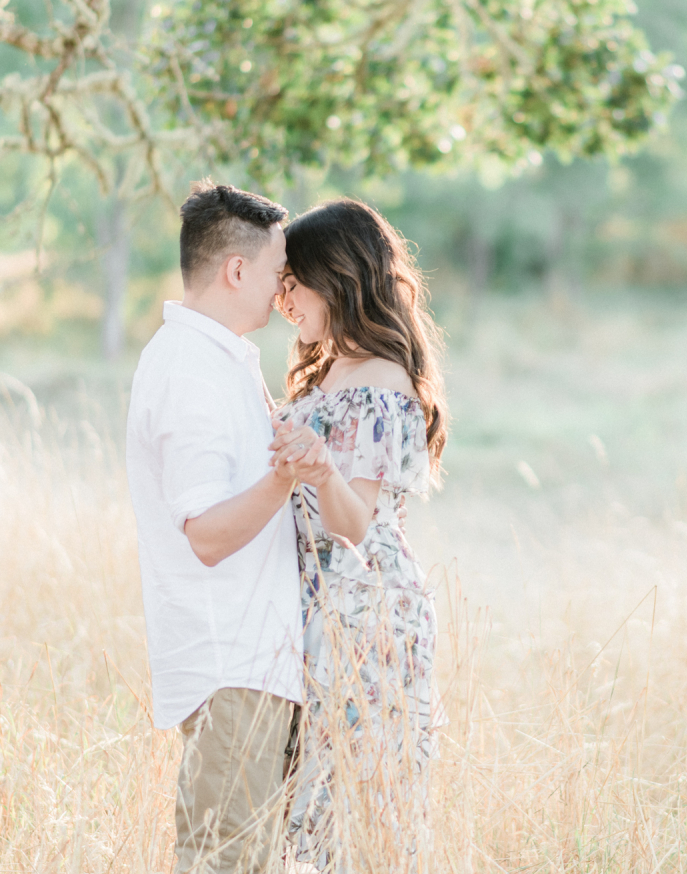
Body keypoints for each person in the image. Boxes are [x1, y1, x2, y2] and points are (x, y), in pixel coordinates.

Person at [126, 181, 328, 874]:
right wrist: (285, 476)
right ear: (236, 270)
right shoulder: (191, 370)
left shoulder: (219, 361)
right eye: (277, 272)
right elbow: (206, 534)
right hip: (229, 664)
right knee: (224, 861)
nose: (281, 290)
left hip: (253, 663)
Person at [270, 198, 448, 871]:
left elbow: (355, 527)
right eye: (280, 284)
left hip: (363, 614)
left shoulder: (380, 382)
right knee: (311, 810)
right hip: (322, 609)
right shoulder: (331, 369)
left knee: (354, 807)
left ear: (336, 279)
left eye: (295, 282)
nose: (285, 299)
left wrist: (315, 472)